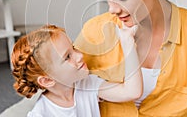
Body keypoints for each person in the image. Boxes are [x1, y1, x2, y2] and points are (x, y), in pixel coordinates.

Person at [11, 24, 142, 117]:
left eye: (73, 48)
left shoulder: (88, 85)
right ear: (47, 80)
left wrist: (127, 42)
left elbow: (131, 91)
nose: (80, 56)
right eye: (67, 57)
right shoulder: (41, 113)